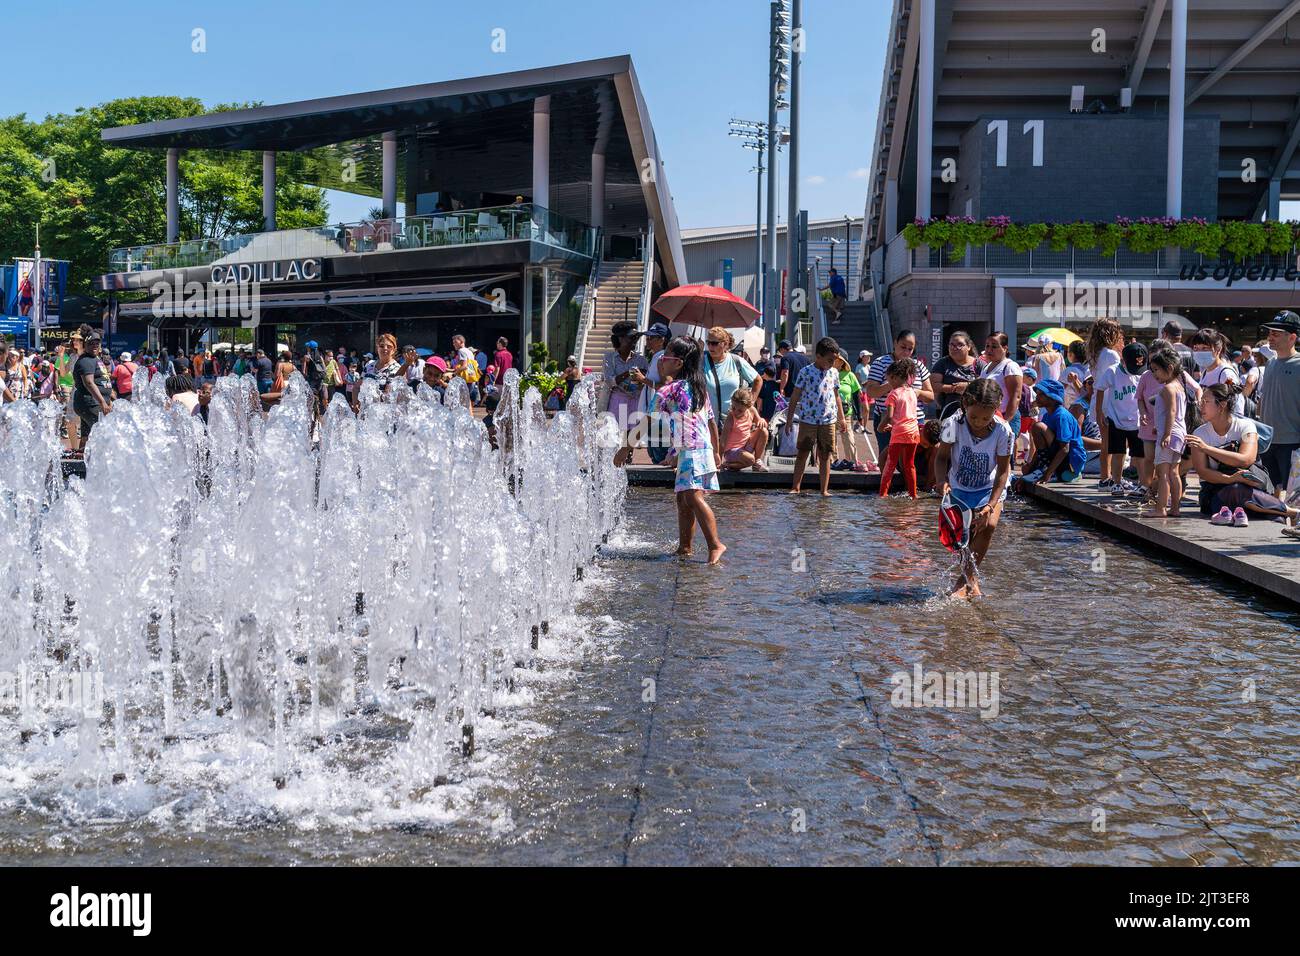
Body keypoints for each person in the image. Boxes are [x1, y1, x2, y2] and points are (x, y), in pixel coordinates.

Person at [933, 378, 1014, 599]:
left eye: (985, 417)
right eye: (974, 416)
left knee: (988, 525)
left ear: (996, 410)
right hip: (959, 486)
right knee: (964, 537)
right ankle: (971, 582)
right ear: (965, 405)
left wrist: (991, 504)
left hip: (989, 486)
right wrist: (941, 481)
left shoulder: (1003, 431)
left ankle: (962, 583)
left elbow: (1003, 472)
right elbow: (941, 458)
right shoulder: (953, 424)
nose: (978, 422)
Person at [652, 336, 725, 563]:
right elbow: (711, 421)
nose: (660, 361)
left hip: (692, 450)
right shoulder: (698, 388)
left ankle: (716, 544)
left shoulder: (668, 390)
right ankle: (685, 547)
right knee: (684, 499)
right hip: (698, 449)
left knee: (692, 497)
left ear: (679, 363)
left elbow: (646, 421)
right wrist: (716, 450)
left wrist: (625, 449)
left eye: (666, 357)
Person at [1188, 381, 1296, 527]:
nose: (1201, 406)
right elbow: (1203, 472)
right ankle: (1293, 513)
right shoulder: (1199, 433)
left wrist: (1207, 449)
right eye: (1201, 401)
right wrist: (1231, 479)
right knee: (1236, 489)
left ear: (1222, 405)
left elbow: (1246, 459)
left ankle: (1285, 516)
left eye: (1206, 401)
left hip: (1251, 490)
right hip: (1216, 493)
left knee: (1276, 519)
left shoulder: (1246, 427)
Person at [786, 336, 846, 497]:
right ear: (818, 356)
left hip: (828, 420)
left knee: (825, 454)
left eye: (834, 359)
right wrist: (789, 419)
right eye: (829, 359)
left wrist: (841, 418)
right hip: (808, 419)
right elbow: (795, 395)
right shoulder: (805, 372)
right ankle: (796, 486)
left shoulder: (833, 373)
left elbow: (836, 395)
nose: (832, 363)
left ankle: (824, 490)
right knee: (803, 452)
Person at [864, 329, 933, 465]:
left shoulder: (918, 366)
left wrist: (917, 392)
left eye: (910, 349)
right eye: (903, 347)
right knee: (887, 458)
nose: (906, 352)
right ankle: (885, 485)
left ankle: (909, 485)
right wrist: (894, 383)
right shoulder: (880, 363)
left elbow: (930, 396)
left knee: (910, 461)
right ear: (895, 343)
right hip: (887, 419)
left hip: (913, 421)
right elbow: (871, 392)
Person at [702, 326, 764, 467]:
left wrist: (749, 404)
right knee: (709, 463)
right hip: (709, 422)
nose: (710, 346)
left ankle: (746, 464)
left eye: (715, 343)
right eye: (708, 342)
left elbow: (757, 380)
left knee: (736, 455)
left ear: (724, 344)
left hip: (734, 419)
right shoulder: (701, 361)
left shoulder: (736, 361)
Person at [1142, 349, 1190, 518]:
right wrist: (1161, 428)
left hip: (1170, 434)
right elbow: (1175, 414)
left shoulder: (1167, 389)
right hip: (1179, 434)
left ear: (1169, 367)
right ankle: (1175, 508)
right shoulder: (1180, 387)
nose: (1153, 374)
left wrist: (1166, 433)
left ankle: (1160, 508)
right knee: (1175, 472)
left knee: (1162, 473)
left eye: (1155, 369)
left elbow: (1171, 412)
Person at [1255, 310, 1300, 489]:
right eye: (1269, 333)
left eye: (1276, 333)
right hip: (1266, 441)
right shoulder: (1271, 362)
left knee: (1293, 496)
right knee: (1274, 494)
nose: (1270, 337)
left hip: (1292, 443)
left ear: (1292, 337)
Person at [1096, 341, 1147, 496]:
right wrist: (1099, 412)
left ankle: (1143, 484)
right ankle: (1117, 483)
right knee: (1118, 453)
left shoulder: (1143, 374)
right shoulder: (1112, 372)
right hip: (1116, 419)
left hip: (1137, 420)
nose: (1136, 371)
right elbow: (1100, 388)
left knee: (1139, 455)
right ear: (1123, 361)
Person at [600, 320, 648, 467]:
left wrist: (640, 378)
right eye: (630, 337)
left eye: (635, 338)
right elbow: (609, 380)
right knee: (614, 429)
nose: (634, 340)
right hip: (617, 399)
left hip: (635, 398)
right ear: (620, 339)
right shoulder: (609, 358)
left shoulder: (640, 359)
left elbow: (645, 377)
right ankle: (611, 461)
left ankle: (628, 457)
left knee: (632, 430)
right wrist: (628, 373)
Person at [1021, 377, 1085, 485]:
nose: (1037, 397)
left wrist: (1047, 474)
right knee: (1026, 470)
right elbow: (1042, 447)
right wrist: (1031, 466)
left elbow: (1065, 449)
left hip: (1070, 466)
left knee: (1038, 427)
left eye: (1041, 394)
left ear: (1052, 398)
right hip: (1059, 460)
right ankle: (1042, 468)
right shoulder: (1047, 415)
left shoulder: (1061, 416)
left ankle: (1046, 470)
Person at [878, 359, 921, 498]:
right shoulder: (912, 392)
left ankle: (883, 494)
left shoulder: (893, 394)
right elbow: (906, 414)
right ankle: (913, 495)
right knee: (910, 465)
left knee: (890, 464)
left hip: (898, 435)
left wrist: (881, 427)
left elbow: (889, 415)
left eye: (889, 379)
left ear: (895, 377)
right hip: (913, 432)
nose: (888, 383)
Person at [978, 332, 1023, 438]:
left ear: (1005, 348)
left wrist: (1005, 421)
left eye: (994, 346)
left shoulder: (1010, 366)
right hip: (989, 417)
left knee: (1004, 452)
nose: (989, 350)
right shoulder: (987, 366)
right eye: (987, 346)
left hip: (1005, 417)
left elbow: (1016, 397)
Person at [931, 331, 984, 420]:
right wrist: (954, 388)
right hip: (949, 414)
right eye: (952, 345)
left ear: (968, 347)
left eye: (959, 345)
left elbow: (985, 385)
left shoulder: (979, 364)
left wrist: (967, 386)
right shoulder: (942, 363)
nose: (955, 348)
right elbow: (933, 385)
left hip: (975, 413)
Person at [73, 335, 112, 450]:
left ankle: (82, 458)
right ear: (85, 345)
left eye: (97, 343)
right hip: (91, 403)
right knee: (103, 432)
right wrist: (102, 402)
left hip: (93, 403)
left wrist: (111, 397)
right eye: (91, 343)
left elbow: (102, 379)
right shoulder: (86, 361)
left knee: (87, 435)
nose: (95, 345)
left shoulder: (95, 359)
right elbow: (89, 383)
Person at [719, 387, 768, 471]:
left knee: (763, 431)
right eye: (733, 408)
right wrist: (718, 460)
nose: (736, 412)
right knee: (750, 459)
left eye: (740, 410)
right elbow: (723, 441)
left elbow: (761, 423)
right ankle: (728, 464)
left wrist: (762, 420)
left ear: (748, 407)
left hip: (745, 447)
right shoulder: (731, 417)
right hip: (731, 451)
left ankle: (757, 463)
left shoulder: (752, 410)